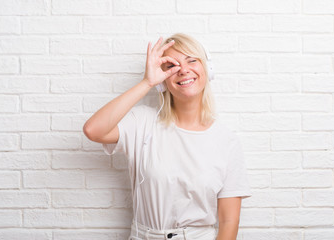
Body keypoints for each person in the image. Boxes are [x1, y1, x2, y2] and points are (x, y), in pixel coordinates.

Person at [83, 33, 251, 240]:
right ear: (163, 81)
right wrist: (147, 82)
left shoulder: (227, 141)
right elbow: (93, 130)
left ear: (208, 69)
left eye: (192, 60)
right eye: (172, 66)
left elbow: (229, 223)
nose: (183, 70)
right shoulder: (143, 122)